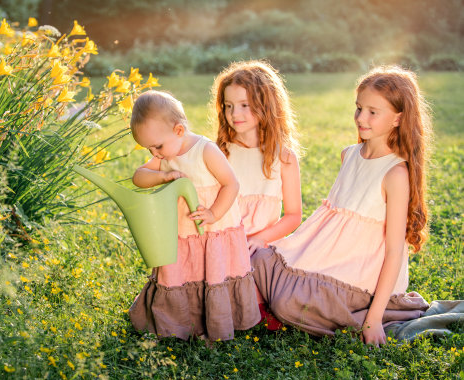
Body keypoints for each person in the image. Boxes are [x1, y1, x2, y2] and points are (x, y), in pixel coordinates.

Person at [251, 65, 431, 345]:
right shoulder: (350, 155)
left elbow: (395, 251)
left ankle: (367, 311)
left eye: (373, 112)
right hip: (325, 259)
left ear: (397, 118)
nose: (361, 117)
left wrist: (372, 321)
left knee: (288, 302)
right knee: (258, 260)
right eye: (359, 108)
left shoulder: (395, 174)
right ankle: (275, 303)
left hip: (357, 275)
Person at [128, 90, 260, 341]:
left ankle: (218, 322)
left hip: (212, 229)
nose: (154, 154)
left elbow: (231, 184)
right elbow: (138, 177)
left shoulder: (205, 150)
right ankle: (180, 323)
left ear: (178, 130)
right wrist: (163, 175)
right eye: (149, 149)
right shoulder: (165, 156)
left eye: (157, 146)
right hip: (182, 232)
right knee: (182, 272)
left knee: (212, 271)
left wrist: (213, 212)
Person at [212, 60, 303, 330]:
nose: (234, 113)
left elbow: (294, 216)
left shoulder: (283, 156)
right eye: (228, 106)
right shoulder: (220, 153)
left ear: (266, 105)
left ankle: (259, 306)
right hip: (225, 237)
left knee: (259, 266)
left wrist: (260, 238)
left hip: (263, 245)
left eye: (244, 105)